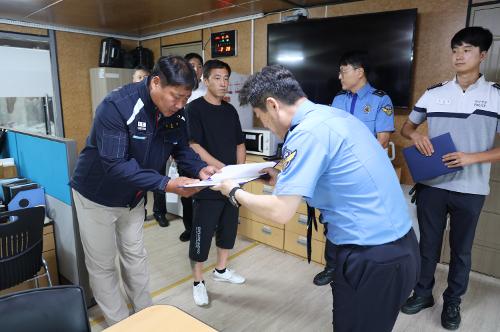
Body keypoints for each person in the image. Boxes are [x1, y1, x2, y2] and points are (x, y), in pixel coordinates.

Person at [213, 65, 419, 332]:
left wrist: (233, 190)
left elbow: (280, 212)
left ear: (272, 105)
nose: (264, 124)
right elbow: (335, 175)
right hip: (397, 248)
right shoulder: (331, 115)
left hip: (372, 256)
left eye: (260, 116)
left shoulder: (305, 133)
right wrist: (280, 177)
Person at [70, 55, 216, 325]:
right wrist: (166, 184)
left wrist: (199, 169)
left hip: (133, 197)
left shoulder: (177, 112)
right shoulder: (117, 106)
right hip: (97, 196)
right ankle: (121, 324)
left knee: (135, 257)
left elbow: (181, 148)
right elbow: (115, 165)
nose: (181, 104)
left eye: (186, 98)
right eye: (176, 97)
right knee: (103, 265)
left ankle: (145, 316)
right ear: (156, 82)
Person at [400, 26, 500, 330]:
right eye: (455, 49)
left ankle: (453, 300)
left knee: (462, 250)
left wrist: (473, 157)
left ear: (483, 55)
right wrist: (416, 135)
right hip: (432, 185)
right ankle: (423, 293)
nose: (459, 55)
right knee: (427, 245)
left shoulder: (496, 96)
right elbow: (406, 128)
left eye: (467, 50)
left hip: (471, 189)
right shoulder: (434, 92)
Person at [313, 51, 397, 286]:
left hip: (363, 175)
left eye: (343, 71)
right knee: (334, 220)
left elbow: (382, 141)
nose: (339, 76)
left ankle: (359, 269)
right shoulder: (338, 99)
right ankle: (332, 267)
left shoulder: (381, 100)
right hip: (336, 173)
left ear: (359, 72)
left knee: (361, 223)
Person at [186, 59, 246, 306]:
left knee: (229, 228)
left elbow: (239, 143)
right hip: (209, 183)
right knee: (202, 233)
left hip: (232, 183)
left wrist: (239, 173)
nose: (223, 83)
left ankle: (221, 270)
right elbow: (194, 145)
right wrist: (223, 169)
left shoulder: (230, 110)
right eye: (218, 78)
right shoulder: (194, 109)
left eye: (226, 78)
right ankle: (198, 282)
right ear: (206, 80)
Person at [132, 65, 171, 227]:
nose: (142, 80)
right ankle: (140, 213)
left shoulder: (158, 103)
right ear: (133, 79)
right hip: (136, 154)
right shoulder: (127, 102)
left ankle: (159, 213)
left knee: (159, 184)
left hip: (157, 151)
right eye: (139, 77)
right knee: (139, 184)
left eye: (145, 77)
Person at [177, 52, 207, 242]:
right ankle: (189, 228)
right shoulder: (179, 91)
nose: (194, 69)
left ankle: (206, 228)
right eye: (191, 65)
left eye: (197, 65)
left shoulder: (207, 91)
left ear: (202, 69)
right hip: (185, 149)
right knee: (187, 192)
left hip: (205, 151)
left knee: (206, 193)